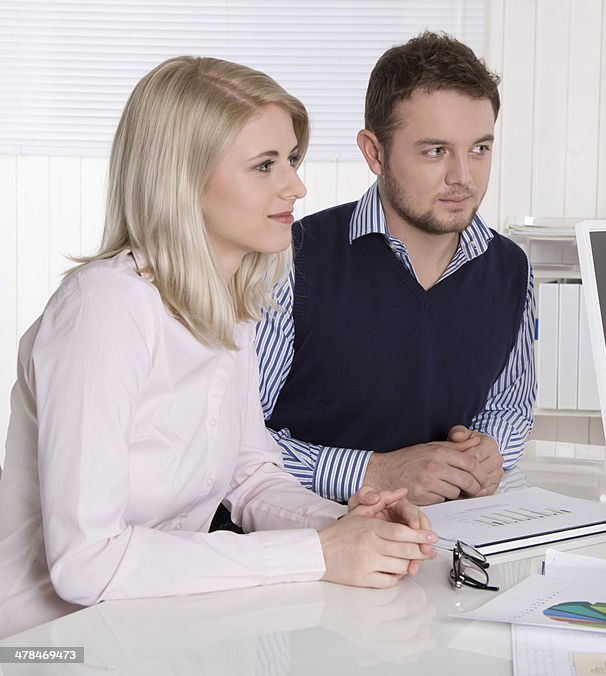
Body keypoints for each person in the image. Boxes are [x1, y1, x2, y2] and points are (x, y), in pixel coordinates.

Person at [0, 56, 437, 640]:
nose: (296, 185)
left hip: (149, 629)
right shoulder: (105, 308)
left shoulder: (226, 303)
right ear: (182, 179)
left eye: (292, 159)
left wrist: (351, 524)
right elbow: (87, 562)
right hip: (46, 647)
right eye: (264, 165)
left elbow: (250, 478)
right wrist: (319, 553)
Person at [256, 31, 536, 506]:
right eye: (435, 151)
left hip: (448, 541)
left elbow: (508, 407)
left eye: (480, 149)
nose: (463, 178)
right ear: (375, 153)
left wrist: (490, 452)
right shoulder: (291, 259)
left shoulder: (511, 269)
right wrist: (373, 471)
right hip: (310, 541)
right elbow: (229, 446)